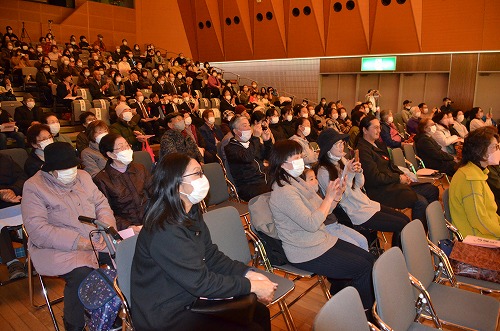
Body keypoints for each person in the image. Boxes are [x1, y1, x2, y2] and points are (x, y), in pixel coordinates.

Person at [131, 153, 274, 331]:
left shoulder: (190, 210)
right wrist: (251, 286)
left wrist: (247, 273)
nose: (203, 178)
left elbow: (211, 255)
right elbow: (200, 283)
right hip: (167, 313)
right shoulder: (165, 229)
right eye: (197, 173)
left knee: (259, 313)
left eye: (202, 172)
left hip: (189, 296)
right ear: (175, 183)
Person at [268, 140, 375, 310]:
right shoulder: (283, 193)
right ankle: (366, 317)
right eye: (296, 157)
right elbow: (312, 223)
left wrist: (336, 196)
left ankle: (343, 300)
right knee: (363, 268)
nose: (301, 161)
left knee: (369, 259)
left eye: (300, 157)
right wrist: (329, 198)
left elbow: (324, 212)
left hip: (320, 238)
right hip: (305, 250)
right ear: (282, 163)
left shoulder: (297, 182)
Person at [22, 142, 116, 331]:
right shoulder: (34, 187)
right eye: (65, 169)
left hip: (94, 237)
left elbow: (101, 204)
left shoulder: (83, 177)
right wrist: (79, 243)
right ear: (50, 170)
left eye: (74, 166)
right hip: (57, 247)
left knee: (126, 258)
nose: (72, 171)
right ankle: (74, 325)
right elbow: (38, 229)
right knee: (82, 274)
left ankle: (119, 311)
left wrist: (103, 229)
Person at [316, 129, 410, 247]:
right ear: (327, 148)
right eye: (337, 144)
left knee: (405, 220)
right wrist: (349, 174)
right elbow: (343, 196)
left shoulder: (341, 161)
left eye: (342, 143)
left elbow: (359, 185)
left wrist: (358, 172)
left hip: (365, 204)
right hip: (355, 212)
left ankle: (400, 253)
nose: (341, 147)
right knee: (401, 224)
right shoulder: (324, 171)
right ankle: (398, 256)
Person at [356, 115, 439, 230]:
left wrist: (403, 175)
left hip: (393, 182)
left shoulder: (378, 144)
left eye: (379, 127)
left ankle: (429, 230)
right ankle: (415, 237)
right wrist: (398, 178)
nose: (379, 131)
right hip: (382, 189)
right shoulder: (363, 150)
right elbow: (374, 178)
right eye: (375, 128)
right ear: (365, 130)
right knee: (421, 202)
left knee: (432, 190)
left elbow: (390, 165)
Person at [449, 127, 500, 239]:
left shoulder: (476, 172)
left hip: (486, 234)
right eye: (495, 147)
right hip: (477, 240)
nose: (498, 151)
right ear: (480, 150)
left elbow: (489, 214)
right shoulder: (470, 179)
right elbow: (479, 221)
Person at [93, 133, 150, 232]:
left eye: (127, 145)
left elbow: (155, 194)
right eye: (121, 147)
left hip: (150, 222)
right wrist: (127, 227)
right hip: (127, 228)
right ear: (110, 154)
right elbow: (105, 211)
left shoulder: (140, 169)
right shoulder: (102, 179)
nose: (127, 150)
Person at [225, 115, 273, 201]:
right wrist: (255, 137)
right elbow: (247, 157)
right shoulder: (230, 148)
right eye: (244, 125)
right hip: (249, 185)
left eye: (248, 125)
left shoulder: (252, 143)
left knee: (285, 183)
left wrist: (267, 141)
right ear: (236, 131)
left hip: (263, 179)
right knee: (276, 191)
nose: (249, 128)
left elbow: (270, 157)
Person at [0, 153, 27, 279]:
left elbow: (23, 178)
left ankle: (32, 257)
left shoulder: (5, 158)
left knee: (33, 213)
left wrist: (13, 190)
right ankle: (12, 263)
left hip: (14, 199)